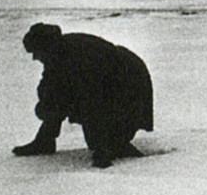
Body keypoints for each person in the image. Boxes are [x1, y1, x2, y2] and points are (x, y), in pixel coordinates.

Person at [13, 23, 154, 167]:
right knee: (59, 95)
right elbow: (49, 87)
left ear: (47, 47)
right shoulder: (57, 55)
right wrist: (45, 106)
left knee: (114, 141)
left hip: (131, 84)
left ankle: (115, 144)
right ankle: (44, 141)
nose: (35, 57)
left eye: (36, 52)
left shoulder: (81, 57)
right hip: (110, 84)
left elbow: (93, 103)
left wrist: (99, 149)